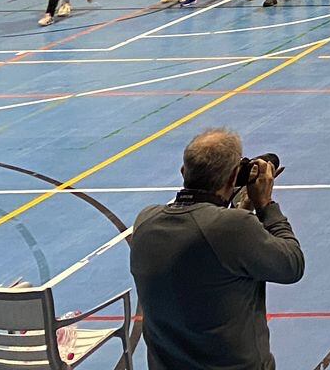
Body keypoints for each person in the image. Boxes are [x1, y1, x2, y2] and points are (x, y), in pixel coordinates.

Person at [130, 129, 304, 370]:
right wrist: (265, 205)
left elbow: (201, 253)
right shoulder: (233, 228)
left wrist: (239, 211)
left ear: (183, 172)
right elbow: (292, 264)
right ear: (234, 177)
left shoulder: (146, 220)